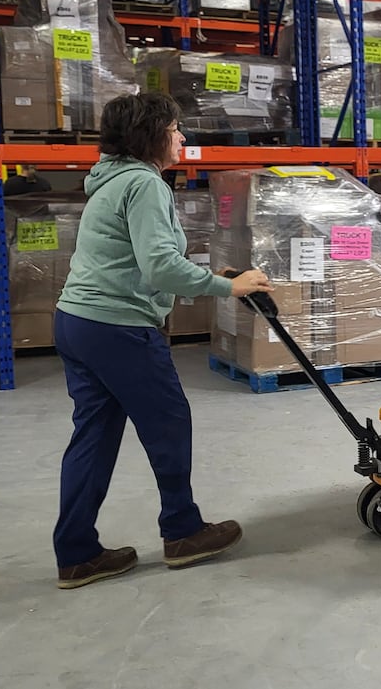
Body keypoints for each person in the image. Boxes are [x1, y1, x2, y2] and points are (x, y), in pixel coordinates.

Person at [52, 92, 272, 590]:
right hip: (118, 327)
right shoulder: (144, 184)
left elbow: (137, 260)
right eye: (175, 128)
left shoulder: (110, 181)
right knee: (168, 422)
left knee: (94, 435)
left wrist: (206, 273)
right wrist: (227, 286)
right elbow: (158, 267)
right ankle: (182, 530)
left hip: (77, 321)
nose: (182, 137)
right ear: (151, 134)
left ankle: (76, 553)